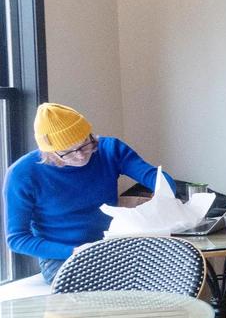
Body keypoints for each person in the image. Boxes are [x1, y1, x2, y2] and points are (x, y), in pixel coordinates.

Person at [4, 103, 174, 282]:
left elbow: (157, 177)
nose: (80, 155)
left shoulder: (109, 149)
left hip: (113, 244)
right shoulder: (22, 174)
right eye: (68, 152)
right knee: (106, 285)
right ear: (49, 153)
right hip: (62, 256)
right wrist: (73, 251)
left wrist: (162, 194)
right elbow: (17, 239)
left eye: (85, 144)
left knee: (169, 273)